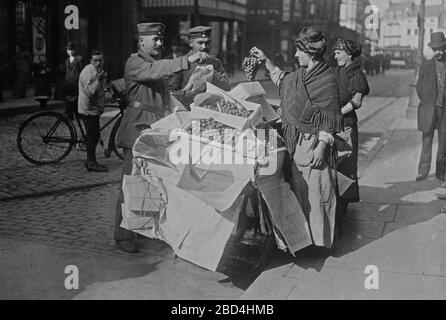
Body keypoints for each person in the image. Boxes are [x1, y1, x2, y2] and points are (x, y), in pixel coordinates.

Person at [114, 22, 210, 253]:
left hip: (155, 130)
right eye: (154, 40)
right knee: (131, 183)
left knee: (152, 182)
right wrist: (186, 60)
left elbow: (168, 98)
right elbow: (156, 71)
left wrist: (189, 92)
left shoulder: (155, 65)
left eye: (160, 39)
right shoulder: (135, 62)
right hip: (137, 131)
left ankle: (142, 229)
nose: (159, 43)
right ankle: (122, 235)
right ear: (141, 42)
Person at [250, 26, 343, 251]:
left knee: (318, 196)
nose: (295, 55)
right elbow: (283, 81)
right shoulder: (299, 76)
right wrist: (266, 61)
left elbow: (329, 117)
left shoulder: (327, 79)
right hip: (297, 146)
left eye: (298, 51)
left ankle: (320, 244)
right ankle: (305, 241)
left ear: (310, 52)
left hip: (315, 146)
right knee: (301, 196)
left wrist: (322, 146)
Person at [333, 39, 370, 221]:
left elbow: (357, 101)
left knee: (346, 165)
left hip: (346, 125)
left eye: (339, 52)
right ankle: (338, 201)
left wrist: (338, 112)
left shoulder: (355, 72)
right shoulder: (339, 69)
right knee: (336, 164)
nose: (335, 55)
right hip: (335, 124)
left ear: (348, 54)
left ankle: (343, 203)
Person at [416, 32, 446, 182]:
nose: (438, 52)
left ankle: (440, 172)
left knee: (443, 142)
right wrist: (427, 101)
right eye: (435, 49)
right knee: (427, 140)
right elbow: (419, 86)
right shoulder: (426, 65)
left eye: (440, 49)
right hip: (430, 109)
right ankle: (423, 171)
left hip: (444, 110)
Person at [168, 26, 230, 92]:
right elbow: (171, 93)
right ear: (190, 43)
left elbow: (226, 88)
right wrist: (186, 93)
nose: (204, 47)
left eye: (207, 43)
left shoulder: (216, 63)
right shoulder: (181, 63)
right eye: (200, 43)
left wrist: (211, 74)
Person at [78, 50, 108, 173]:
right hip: (88, 109)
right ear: (90, 61)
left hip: (94, 108)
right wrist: (98, 80)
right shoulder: (88, 72)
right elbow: (90, 92)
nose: (98, 62)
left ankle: (90, 161)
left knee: (93, 135)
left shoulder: (98, 71)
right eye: (95, 60)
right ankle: (91, 162)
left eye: (100, 60)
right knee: (93, 137)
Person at [64, 42, 84, 119]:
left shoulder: (79, 59)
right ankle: (70, 115)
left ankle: (78, 114)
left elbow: (82, 70)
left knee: (77, 99)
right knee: (68, 99)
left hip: (77, 81)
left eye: (72, 50)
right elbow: (67, 71)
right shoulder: (67, 60)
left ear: (75, 50)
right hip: (69, 82)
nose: (70, 51)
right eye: (69, 49)